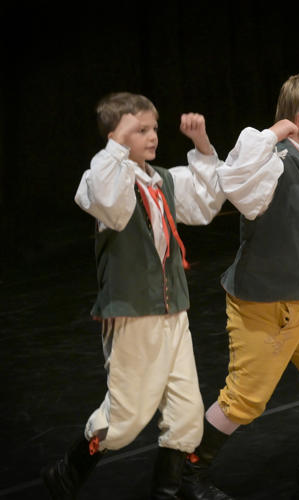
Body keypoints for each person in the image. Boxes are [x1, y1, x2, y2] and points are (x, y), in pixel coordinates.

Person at [179, 74, 299, 500]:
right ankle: (186, 475)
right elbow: (234, 179)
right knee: (243, 401)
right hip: (265, 305)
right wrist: (273, 133)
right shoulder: (272, 163)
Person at [42, 92, 226, 499]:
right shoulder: (105, 179)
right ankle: (68, 471)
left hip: (173, 310)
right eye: (140, 129)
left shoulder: (161, 179)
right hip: (134, 312)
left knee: (187, 414)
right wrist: (116, 146)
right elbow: (111, 204)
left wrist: (201, 145)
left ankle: (168, 490)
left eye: (153, 128)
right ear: (116, 135)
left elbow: (206, 203)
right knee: (126, 418)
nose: (152, 136)